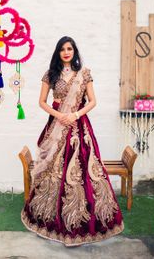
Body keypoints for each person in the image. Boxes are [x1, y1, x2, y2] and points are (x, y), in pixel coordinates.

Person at [21, 36, 124, 246]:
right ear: (58, 53)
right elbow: (41, 102)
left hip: (79, 126)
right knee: (54, 168)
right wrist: (59, 115)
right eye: (62, 49)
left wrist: (75, 115)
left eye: (70, 49)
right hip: (57, 125)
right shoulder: (50, 75)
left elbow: (93, 101)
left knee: (85, 169)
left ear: (74, 51)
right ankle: (49, 216)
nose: (66, 52)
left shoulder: (84, 75)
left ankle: (86, 218)